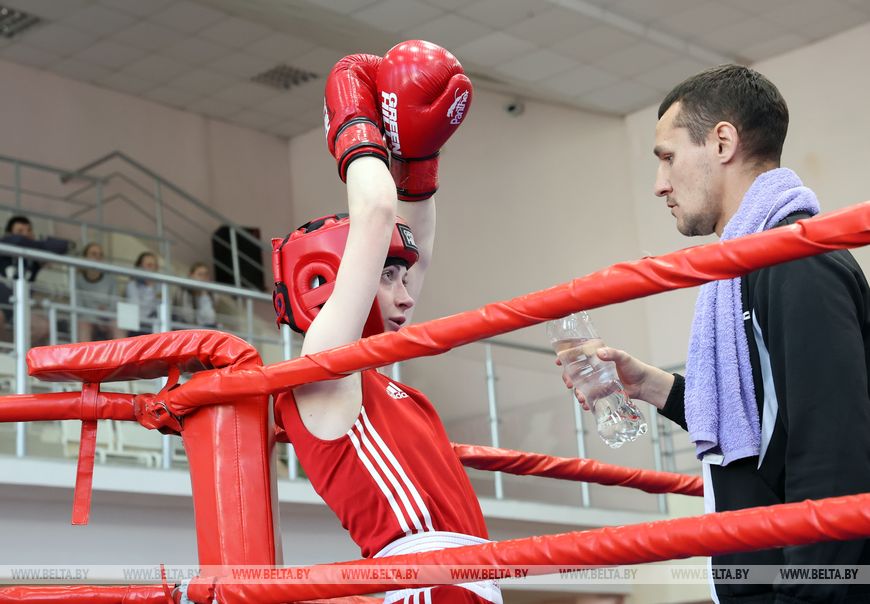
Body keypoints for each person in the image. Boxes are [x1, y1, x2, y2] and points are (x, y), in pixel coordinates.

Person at [564, 65, 870, 603]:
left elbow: (833, 448)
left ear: (723, 142)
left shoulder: (796, 262)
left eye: (667, 157)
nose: (659, 184)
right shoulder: (747, 267)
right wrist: (649, 385)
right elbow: (759, 424)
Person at [272, 41, 499, 603]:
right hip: (424, 580)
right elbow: (375, 213)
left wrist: (419, 159)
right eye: (386, 275)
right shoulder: (318, 373)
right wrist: (353, 122)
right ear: (333, 280)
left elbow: (412, 239)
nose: (407, 294)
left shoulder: (378, 380)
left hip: (470, 577)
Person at [0, 215, 69, 343]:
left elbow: (63, 246)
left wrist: (33, 245)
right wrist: (38, 245)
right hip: (2, 304)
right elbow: (16, 241)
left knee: (44, 327)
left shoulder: (33, 259)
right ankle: (5, 350)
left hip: (21, 306)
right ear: (9, 234)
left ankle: (18, 351)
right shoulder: (3, 247)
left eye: (29, 230)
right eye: (20, 231)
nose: (25, 234)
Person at [75, 242, 123, 342]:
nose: (97, 257)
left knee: (118, 325)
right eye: (94, 254)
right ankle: (85, 352)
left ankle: (123, 352)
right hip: (88, 319)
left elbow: (115, 305)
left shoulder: (111, 279)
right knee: (83, 324)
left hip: (107, 319)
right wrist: (97, 316)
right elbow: (78, 307)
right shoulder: (77, 280)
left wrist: (104, 316)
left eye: (100, 255)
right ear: (85, 257)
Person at [125, 251, 160, 337]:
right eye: (149, 265)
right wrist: (150, 287)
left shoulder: (161, 286)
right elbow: (137, 312)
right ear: (140, 267)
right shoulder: (132, 285)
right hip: (137, 327)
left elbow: (162, 311)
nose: (152, 269)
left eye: (155, 266)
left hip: (155, 327)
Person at [173, 262, 217, 328]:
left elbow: (210, 320)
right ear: (191, 276)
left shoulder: (212, 294)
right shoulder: (183, 291)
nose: (203, 278)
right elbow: (188, 318)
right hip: (185, 329)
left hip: (204, 329)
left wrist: (203, 295)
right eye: (200, 274)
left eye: (206, 275)